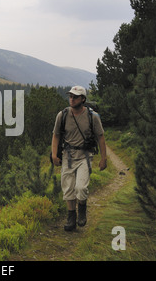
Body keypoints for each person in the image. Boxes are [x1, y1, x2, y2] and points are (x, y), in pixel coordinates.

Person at [51, 86, 107, 231]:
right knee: (68, 188)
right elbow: (56, 135)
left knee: (81, 187)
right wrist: (54, 154)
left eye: (75, 97)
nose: (72, 99)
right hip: (68, 156)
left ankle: (82, 209)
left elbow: (100, 137)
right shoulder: (62, 115)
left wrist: (103, 158)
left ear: (83, 99)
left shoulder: (92, 117)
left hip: (85, 156)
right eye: (70, 96)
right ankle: (71, 218)